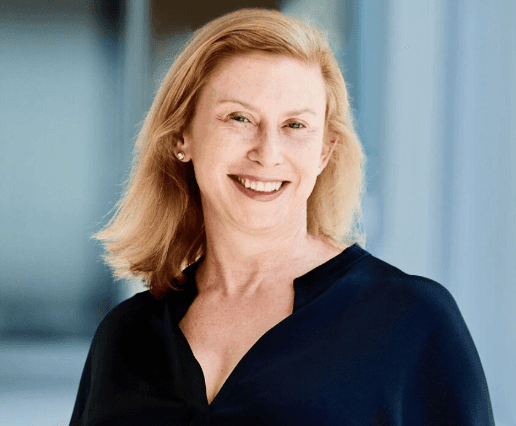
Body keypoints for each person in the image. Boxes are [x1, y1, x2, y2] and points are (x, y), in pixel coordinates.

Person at [69, 8, 495, 426]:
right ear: (182, 136)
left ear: (324, 151)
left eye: (295, 126)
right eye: (239, 118)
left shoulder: (411, 320)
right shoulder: (124, 336)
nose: (267, 153)